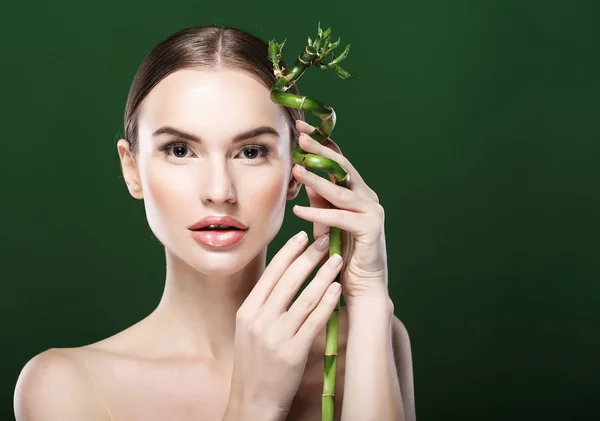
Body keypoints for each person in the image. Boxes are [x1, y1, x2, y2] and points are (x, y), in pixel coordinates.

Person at [13, 25, 415, 421]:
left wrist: (366, 295)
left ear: (297, 171)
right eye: (180, 149)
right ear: (132, 169)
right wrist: (253, 405)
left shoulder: (371, 336)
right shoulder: (64, 387)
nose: (219, 191)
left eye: (252, 151)